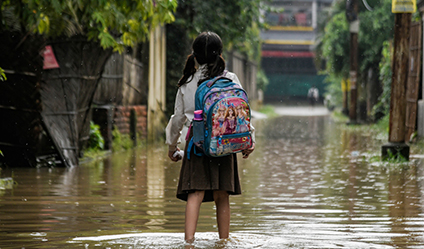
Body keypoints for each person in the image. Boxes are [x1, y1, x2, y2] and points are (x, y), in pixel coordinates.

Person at [165, 31, 255, 243]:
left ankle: (188, 243)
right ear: (220, 54)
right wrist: (249, 139)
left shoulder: (187, 83)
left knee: (194, 194)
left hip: (196, 144)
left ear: (194, 56)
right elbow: (242, 112)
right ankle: (223, 242)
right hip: (224, 143)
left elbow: (177, 119)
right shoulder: (230, 79)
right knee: (222, 196)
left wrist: (171, 147)